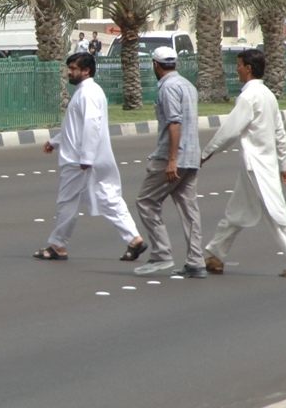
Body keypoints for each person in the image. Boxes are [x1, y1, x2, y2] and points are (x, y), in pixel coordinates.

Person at [199, 49, 286, 277]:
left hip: (256, 166)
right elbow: (279, 132)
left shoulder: (248, 97)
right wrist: (284, 162)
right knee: (236, 213)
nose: (236, 69)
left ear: (248, 68)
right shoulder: (268, 95)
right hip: (261, 165)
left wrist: (207, 152)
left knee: (273, 211)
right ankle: (215, 255)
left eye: (239, 65)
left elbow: (230, 130)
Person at [34, 52, 146, 262]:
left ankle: (58, 246)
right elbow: (73, 127)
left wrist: (86, 158)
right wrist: (55, 141)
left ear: (86, 70)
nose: (70, 72)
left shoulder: (88, 93)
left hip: (79, 160)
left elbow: (92, 125)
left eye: (74, 68)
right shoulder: (86, 92)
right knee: (108, 197)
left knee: (67, 202)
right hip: (87, 157)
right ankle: (134, 238)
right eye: (69, 68)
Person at [133, 46, 205, 278]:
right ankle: (196, 260)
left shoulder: (168, 88)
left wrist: (172, 160)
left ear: (155, 64)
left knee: (146, 200)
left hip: (172, 157)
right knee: (189, 210)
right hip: (192, 156)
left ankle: (161, 255)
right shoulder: (187, 85)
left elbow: (174, 123)